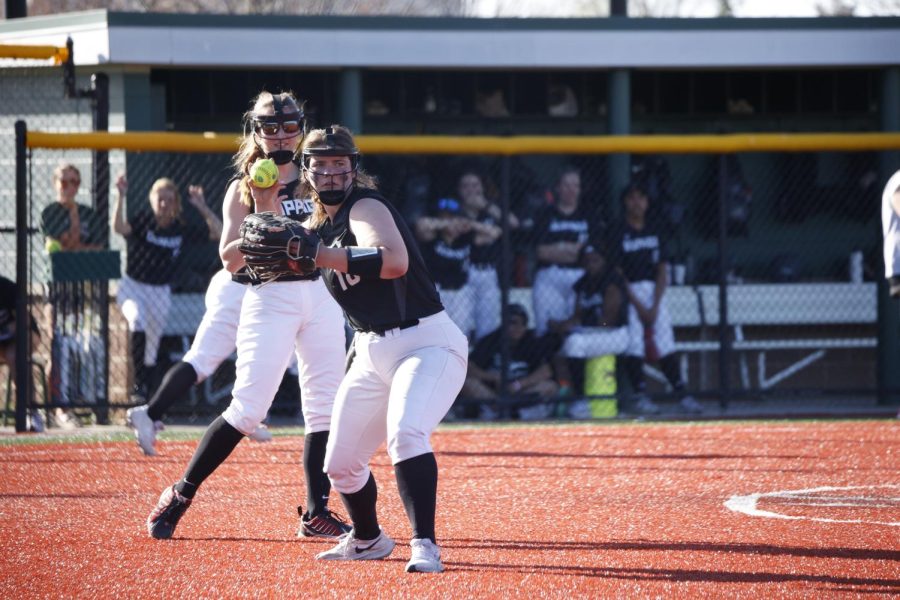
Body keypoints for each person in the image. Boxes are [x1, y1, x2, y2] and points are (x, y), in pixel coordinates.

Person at [144, 91, 350, 541]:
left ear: (301, 128)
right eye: (270, 128)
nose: (280, 135)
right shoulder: (244, 184)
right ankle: (180, 493)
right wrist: (264, 210)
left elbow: (341, 226)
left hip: (319, 295)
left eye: (289, 127)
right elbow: (230, 259)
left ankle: (317, 511)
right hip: (270, 296)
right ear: (256, 131)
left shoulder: (317, 175)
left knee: (323, 407)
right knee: (248, 408)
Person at [300, 125, 468, 573]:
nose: (332, 172)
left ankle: (425, 545)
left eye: (340, 164)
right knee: (339, 464)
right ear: (307, 172)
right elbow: (249, 256)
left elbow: (393, 261)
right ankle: (369, 538)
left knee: (406, 433)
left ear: (354, 169)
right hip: (373, 349)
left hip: (427, 341)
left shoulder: (365, 205)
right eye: (321, 164)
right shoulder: (316, 226)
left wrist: (317, 254)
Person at [124, 268, 275, 456]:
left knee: (264, 355)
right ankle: (150, 413)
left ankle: (248, 417)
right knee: (201, 361)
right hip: (244, 286)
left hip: (248, 286)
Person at [114, 176, 222, 402]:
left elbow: (218, 232)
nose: (164, 204)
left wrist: (202, 206)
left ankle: (146, 392)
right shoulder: (143, 221)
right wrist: (121, 196)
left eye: (169, 200)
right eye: (160, 199)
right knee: (137, 320)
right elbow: (119, 227)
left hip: (160, 291)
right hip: (133, 287)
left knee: (152, 346)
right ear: (152, 200)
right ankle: (138, 387)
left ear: (175, 204)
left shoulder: (179, 228)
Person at [608, 183, 703, 416]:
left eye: (641, 197)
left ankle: (682, 394)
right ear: (625, 202)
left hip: (654, 291)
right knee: (635, 343)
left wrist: (655, 303)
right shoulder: (618, 231)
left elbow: (663, 269)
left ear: (647, 202)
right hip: (629, 291)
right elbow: (618, 273)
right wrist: (639, 305)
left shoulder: (655, 229)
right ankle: (641, 395)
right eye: (631, 198)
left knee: (664, 340)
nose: (636, 202)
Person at [40, 163, 105, 429]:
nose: (69, 187)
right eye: (64, 182)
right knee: (58, 345)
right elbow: (65, 244)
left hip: (85, 290)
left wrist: (77, 246)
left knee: (87, 347)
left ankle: (91, 407)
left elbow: (98, 248)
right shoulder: (51, 212)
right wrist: (73, 218)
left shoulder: (90, 212)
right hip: (58, 289)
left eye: (74, 182)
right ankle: (59, 408)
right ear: (56, 183)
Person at [548, 244, 630, 419]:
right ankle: (566, 397)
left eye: (595, 260)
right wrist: (562, 325)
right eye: (587, 261)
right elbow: (577, 315)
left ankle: (582, 400)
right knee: (559, 347)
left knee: (574, 344)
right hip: (590, 333)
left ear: (604, 260)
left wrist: (583, 327)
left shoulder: (612, 280)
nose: (591, 264)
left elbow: (609, 319)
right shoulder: (583, 283)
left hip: (615, 335)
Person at [531, 166, 601, 336]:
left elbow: (589, 255)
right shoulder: (545, 214)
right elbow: (541, 252)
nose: (571, 190)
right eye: (566, 185)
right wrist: (571, 249)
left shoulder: (589, 215)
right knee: (546, 329)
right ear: (558, 188)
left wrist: (557, 248)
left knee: (575, 330)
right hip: (549, 277)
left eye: (575, 185)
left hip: (579, 277)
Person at [460, 303, 559, 421]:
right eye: (513, 323)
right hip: (493, 392)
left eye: (523, 324)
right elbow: (469, 368)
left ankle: (514, 411)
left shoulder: (531, 341)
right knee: (468, 383)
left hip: (521, 392)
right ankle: (497, 410)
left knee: (549, 386)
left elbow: (546, 371)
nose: (518, 327)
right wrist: (492, 377)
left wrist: (518, 385)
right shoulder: (491, 340)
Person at [457, 170, 516, 341]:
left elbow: (513, 223)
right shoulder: (455, 212)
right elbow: (473, 240)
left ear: (482, 188)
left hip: (489, 273)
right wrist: (486, 233)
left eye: (475, 185)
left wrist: (486, 206)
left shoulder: (490, 211)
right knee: (462, 326)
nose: (471, 190)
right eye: (466, 186)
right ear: (459, 190)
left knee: (488, 326)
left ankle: (483, 362)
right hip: (464, 274)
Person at [415, 197, 475, 339]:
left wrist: (467, 224)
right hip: (438, 291)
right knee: (436, 334)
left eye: (453, 217)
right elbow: (421, 225)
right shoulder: (432, 238)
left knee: (460, 335)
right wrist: (446, 224)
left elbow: (495, 232)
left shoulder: (465, 239)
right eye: (444, 217)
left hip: (461, 293)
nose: (450, 222)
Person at [0, 275, 44, 431]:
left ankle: (31, 412)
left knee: (14, 355)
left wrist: (6, 332)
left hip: (23, 334)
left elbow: (23, 323)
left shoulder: (6, 287)